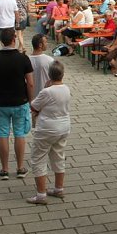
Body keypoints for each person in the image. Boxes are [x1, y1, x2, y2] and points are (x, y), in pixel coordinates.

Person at [0, 28, 34, 180]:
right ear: (14, 39)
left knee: (3, 134)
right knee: (20, 133)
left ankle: (4, 169)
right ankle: (20, 167)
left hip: (1, 102)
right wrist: (31, 101)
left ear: (0, 40)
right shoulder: (23, 59)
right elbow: (30, 83)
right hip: (20, 101)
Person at [26, 61, 71, 204]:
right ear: (62, 74)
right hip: (63, 126)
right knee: (58, 155)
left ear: (49, 76)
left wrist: (44, 89)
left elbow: (34, 106)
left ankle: (40, 194)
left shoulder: (47, 91)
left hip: (47, 128)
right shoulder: (66, 89)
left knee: (38, 158)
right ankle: (59, 188)